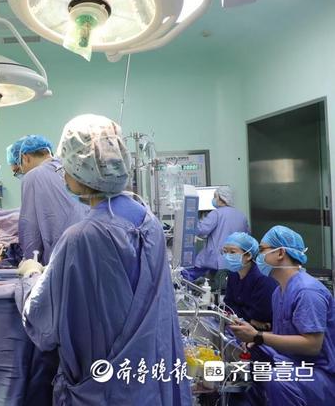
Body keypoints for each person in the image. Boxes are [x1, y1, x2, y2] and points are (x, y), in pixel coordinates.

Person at [20, 114, 191, 405]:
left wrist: (31, 276)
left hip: (105, 388)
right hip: (150, 377)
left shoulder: (82, 237)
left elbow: (42, 320)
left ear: (81, 170)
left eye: (66, 165)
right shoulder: (146, 220)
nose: (62, 174)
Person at [230, 226, 335, 404]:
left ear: (280, 253)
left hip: (319, 373)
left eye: (262, 250)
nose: (258, 256)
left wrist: (259, 336)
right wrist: (254, 339)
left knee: (277, 377)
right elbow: (285, 335)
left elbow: (312, 345)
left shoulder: (307, 291)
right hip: (292, 362)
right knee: (250, 366)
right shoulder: (279, 292)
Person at [16, 134, 88, 265]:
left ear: (25, 158)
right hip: (89, 246)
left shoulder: (32, 176)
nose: (22, 172)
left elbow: (30, 229)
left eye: (19, 169)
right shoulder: (70, 169)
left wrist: (30, 262)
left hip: (62, 255)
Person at [192, 186, 249, 286]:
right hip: (236, 261)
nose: (214, 200)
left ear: (222, 198)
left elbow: (201, 230)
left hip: (218, 262)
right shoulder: (241, 215)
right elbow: (247, 236)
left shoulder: (216, 214)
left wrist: (192, 218)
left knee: (215, 287)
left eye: (215, 197)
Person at [222, 232, 277, 329]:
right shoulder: (233, 275)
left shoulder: (262, 278)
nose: (227, 256)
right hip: (241, 325)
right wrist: (250, 320)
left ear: (248, 256)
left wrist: (241, 316)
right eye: (225, 251)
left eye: (232, 252)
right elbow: (228, 305)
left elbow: (261, 315)